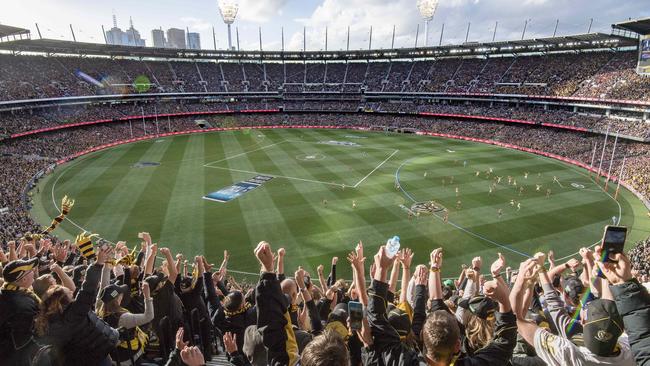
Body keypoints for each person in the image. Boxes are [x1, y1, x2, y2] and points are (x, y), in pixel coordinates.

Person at [35, 245, 119, 366]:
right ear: (63, 299)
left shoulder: (48, 320)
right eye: (67, 291)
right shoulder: (74, 313)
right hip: (97, 357)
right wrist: (98, 262)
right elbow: (88, 288)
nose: (71, 291)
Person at [99, 281, 154, 365]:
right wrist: (147, 296)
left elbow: (104, 291)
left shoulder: (99, 311)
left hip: (114, 357)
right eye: (121, 295)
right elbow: (149, 316)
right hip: (129, 359)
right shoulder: (123, 318)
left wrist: (106, 268)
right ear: (117, 299)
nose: (123, 296)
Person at [0, 257, 40, 366]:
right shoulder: (24, 305)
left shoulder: (5, 291)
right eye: (30, 271)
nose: (34, 272)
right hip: (13, 358)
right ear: (23, 279)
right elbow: (26, 339)